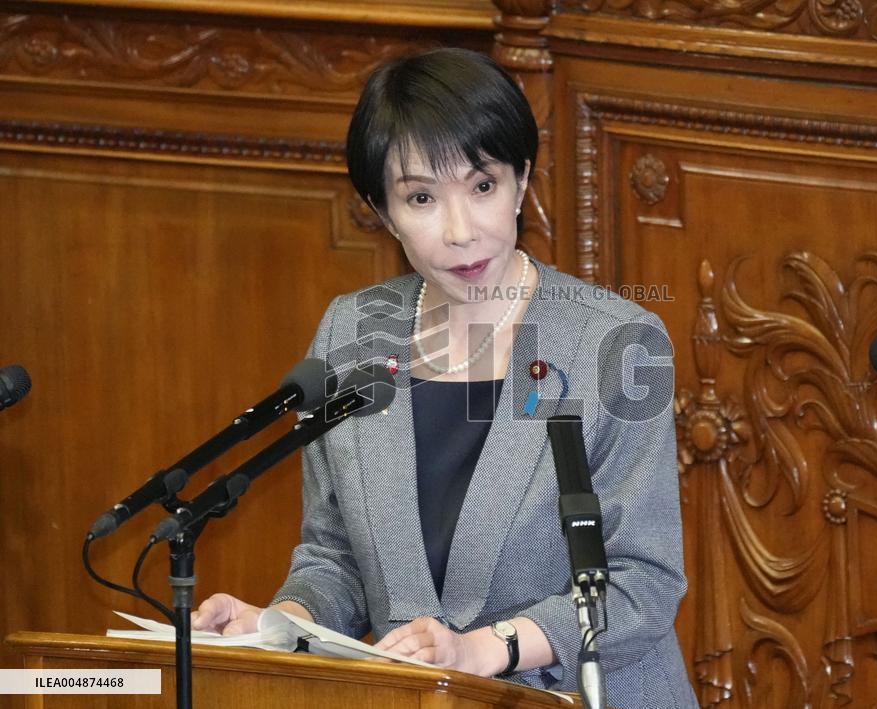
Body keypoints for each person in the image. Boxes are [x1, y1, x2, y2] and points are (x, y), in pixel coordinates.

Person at [192, 47, 697, 709]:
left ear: (521, 179)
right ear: (380, 207)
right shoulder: (355, 331)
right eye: (423, 197)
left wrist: (489, 647)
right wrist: (280, 623)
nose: (461, 231)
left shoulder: (619, 342)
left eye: (482, 185)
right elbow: (334, 552)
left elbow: (644, 580)